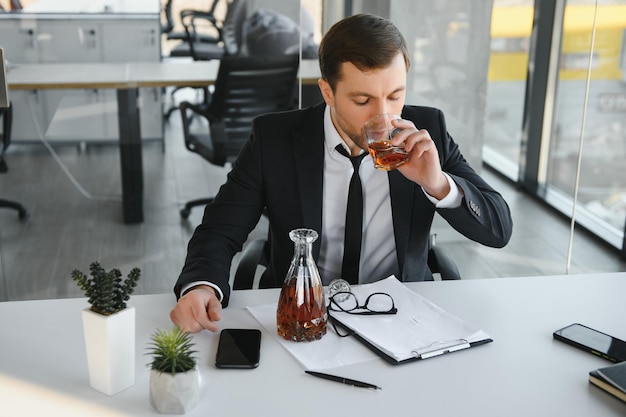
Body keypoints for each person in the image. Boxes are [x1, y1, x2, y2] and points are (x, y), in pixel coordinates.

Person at [171, 13, 513, 333]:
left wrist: (437, 184)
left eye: (395, 96)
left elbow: (498, 229)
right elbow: (219, 228)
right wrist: (202, 285)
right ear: (327, 92)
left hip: (398, 315)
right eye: (363, 101)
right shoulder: (274, 139)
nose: (384, 117)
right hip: (302, 313)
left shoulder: (427, 131)